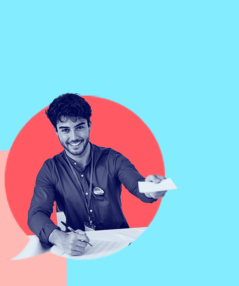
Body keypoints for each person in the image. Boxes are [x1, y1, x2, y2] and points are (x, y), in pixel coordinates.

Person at [27, 93, 168, 256]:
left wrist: (152, 189)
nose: (73, 138)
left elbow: (138, 186)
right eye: (65, 130)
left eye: (79, 127)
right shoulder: (50, 169)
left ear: (89, 125)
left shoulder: (113, 158)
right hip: (78, 249)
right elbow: (36, 214)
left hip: (120, 245)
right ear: (56, 132)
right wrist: (62, 239)